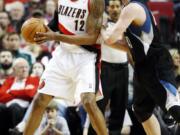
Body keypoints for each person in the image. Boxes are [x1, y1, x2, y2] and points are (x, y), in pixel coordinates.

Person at [23, 0, 107, 135]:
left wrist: (55, 36)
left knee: (89, 102)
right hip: (62, 54)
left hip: (86, 57)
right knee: (40, 101)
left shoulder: (95, 2)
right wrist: (43, 33)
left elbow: (92, 38)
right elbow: (57, 22)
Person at [102, 0, 180, 135]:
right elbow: (128, 47)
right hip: (142, 66)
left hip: (155, 63)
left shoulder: (132, 8)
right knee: (142, 110)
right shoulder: (127, 10)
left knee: (174, 108)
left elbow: (110, 38)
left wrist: (101, 28)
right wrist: (104, 37)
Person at [88, 0, 130, 135]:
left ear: (121, 7)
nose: (115, 9)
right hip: (106, 69)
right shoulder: (102, 23)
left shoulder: (127, 24)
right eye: (112, 6)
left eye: (117, 6)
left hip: (123, 69)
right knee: (99, 107)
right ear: (107, 8)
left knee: (119, 108)